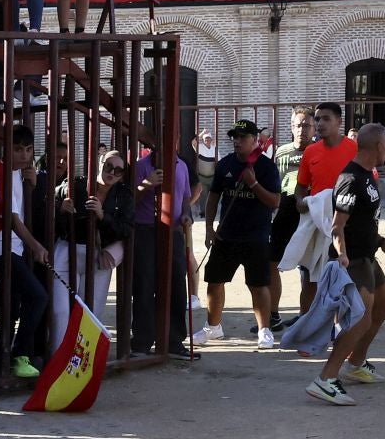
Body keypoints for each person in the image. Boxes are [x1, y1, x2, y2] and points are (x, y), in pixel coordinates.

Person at [306, 123, 385, 405]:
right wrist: (343, 256)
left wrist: (384, 243)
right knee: (360, 319)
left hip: (369, 255)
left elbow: (364, 221)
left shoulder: (368, 175)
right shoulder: (351, 178)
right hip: (353, 259)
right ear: (378, 147)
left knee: (384, 306)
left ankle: (356, 364)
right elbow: (338, 226)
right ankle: (325, 379)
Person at [198, 119, 282, 349]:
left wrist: (254, 184)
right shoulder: (225, 164)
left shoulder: (266, 167)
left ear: (255, 140)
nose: (237, 141)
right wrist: (208, 229)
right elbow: (213, 197)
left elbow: (275, 201)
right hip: (226, 236)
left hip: (256, 236)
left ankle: (264, 330)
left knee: (258, 285)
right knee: (214, 282)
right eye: (235, 137)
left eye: (243, 137)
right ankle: (213, 328)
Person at [0, 124, 51, 379]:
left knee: (10, 307)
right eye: (18, 149)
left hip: (12, 247)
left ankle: (1, 366)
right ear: (7, 149)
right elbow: (12, 220)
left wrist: (33, 187)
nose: (24, 155)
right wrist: (37, 247)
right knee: (38, 297)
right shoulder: (1, 174)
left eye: (29, 149)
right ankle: (19, 356)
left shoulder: (18, 175)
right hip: (1, 247)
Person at [51, 142, 132, 340]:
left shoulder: (123, 195)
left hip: (98, 256)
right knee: (60, 312)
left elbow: (127, 229)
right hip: (68, 248)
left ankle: (82, 364)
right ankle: (58, 359)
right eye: (108, 167)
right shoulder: (77, 183)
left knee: (91, 314)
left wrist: (103, 216)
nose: (112, 173)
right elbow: (52, 202)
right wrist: (61, 208)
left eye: (119, 170)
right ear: (100, 163)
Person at [294, 102, 359, 313]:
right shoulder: (311, 152)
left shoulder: (354, 149)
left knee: (347, 276)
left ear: (339, 122)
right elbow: (301, 187)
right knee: (310, 280)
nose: (320, 123)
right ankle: (306, 324)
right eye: (318, 119)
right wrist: (300, 202)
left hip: (349, 225)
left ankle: (346, 326)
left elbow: (367, 182)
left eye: (326, 119)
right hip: (317, 225)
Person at [129, 143, 192, 358]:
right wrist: (146, 185)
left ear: (177, 140)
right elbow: (129, 201)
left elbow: (185, 198)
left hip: (172, 231)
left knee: (176, 283)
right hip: (145, 230)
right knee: (144, 284)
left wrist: (186, 215)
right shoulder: (140, 166)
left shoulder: (182, 166)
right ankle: (141, 342)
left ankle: (173, 341)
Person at [267, 106, 313, 319]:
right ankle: (273, 315)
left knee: (308, 268)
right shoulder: (281, 152)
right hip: (284, 211)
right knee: (272, 262)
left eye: (306, 125)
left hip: (310, 213)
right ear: (291, 127)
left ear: (313, 128)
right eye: (298, 125)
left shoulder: (319, 150)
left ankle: (305, 315)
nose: (301, 129)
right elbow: (275, 182)